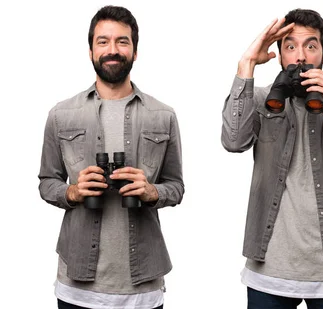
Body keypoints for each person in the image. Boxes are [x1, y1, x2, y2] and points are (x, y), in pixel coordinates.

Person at [221, 8, 323, 309]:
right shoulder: (259, 99)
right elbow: (233, 141)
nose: (300, 56)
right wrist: (246, 64)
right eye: (290, 46)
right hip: (270, 269)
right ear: (279, 56)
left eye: (311, 46)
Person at [38, 5, 184, 309]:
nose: (112, 50)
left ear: (135, 51)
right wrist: (73, 191)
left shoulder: (163, 115)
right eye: (103, 41)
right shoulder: (61, 115)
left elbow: (176, 186)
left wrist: (151, 191)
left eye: (122, 41)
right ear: (90, 50)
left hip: (143, 289)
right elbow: (46, 182)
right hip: (77, 287)